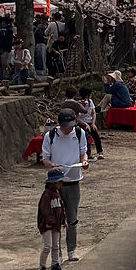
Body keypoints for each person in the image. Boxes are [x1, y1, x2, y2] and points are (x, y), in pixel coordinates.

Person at [41, 110, 88, 260]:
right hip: (56, 183)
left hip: (73, 180)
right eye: (66, 126)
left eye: (71, 125)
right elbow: (45, 159)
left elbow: (83, 152)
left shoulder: (79, 133)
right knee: (56, 218)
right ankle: (57, 253)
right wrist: (51, 165)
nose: (69, 129)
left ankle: (72, 249)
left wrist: (85, 161)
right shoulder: (51, 136)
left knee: (72, 218)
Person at [36, 167, 66, 270]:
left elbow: (61, 207)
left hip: (56, 225)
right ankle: (41, 267)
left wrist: (63, 220)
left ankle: (55, 264)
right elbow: (45, 210)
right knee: (48, 246)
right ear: (53, 182)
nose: (61, 184)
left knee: (55, 246)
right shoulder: (46, 195)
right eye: (60, 182)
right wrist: (50, 222)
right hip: (47, 225)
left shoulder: (57, 194)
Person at [77, 87, 104, 159]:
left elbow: (93, 113)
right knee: (86, 136)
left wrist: (93, 123)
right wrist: (85, 124)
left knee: (95, 134)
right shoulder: (78, 103)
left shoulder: (90, 102)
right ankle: (88, 154)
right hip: (82, 123)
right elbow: (77, 118)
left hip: (90, 122)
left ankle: (100, 152)